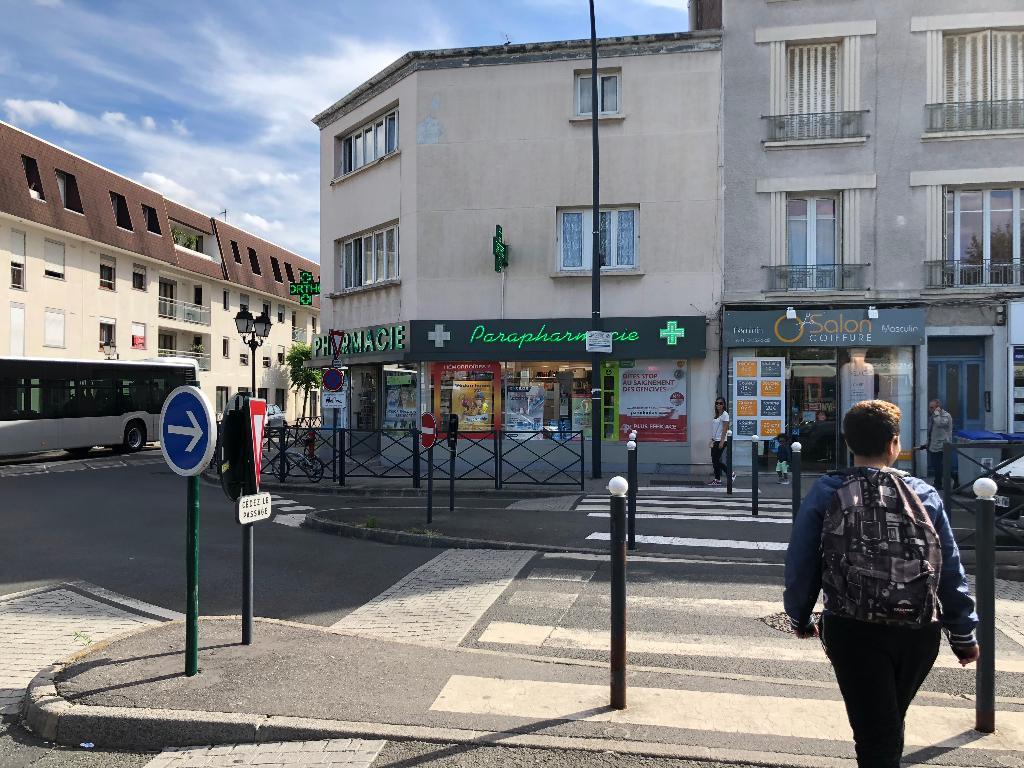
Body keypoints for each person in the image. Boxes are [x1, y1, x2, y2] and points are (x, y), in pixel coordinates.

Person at [784, 400, 978, 768]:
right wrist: (964, 635)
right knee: (887, 722)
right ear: (894, 443)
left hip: (851, 625)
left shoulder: (827, 491)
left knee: (876, 733)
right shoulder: (923, 494)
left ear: (847, 443)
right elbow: (949, 568)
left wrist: (800, 616)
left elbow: (801, 560)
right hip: (917, 629)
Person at [918, 398, 953, 488]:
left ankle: (939, 483)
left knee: (940, 466)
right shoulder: (933, 416)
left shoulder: (945, 415)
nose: (930, 410)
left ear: (938, 408)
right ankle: (940, 482)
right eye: (929, 408)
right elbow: (931, 432)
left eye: (932, 408)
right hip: (933, 445)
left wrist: (937, 414)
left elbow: (940, 424)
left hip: (942, 445)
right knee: (937, 465)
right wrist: (927, 443)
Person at [709, 396, 731, 486]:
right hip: (715, 440)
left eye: (721, 403)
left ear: (724, 405)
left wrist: (722, 441)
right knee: (714, 460)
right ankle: (717, 479)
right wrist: (712, 440)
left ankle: (730, 473)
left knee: (716, 460)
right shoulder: (717, 415)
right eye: (717, 403)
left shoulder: (725, 414)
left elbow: (725, 429)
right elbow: (715, 429)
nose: (718, 405)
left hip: (721, 440)